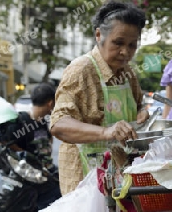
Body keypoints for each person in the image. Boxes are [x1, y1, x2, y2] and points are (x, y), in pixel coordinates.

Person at [50, 1, 148, 195]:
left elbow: (139, 105)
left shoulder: (127, 71)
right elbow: (58, 124)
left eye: (132, 45)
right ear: (99, 35)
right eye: (118, 43)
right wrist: (106, 132)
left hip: (120, 176)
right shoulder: (81, 70)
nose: (125, 52)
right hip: (85, 181)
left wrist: (142, 112)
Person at [0, 101, 60, 209]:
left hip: (40, 178)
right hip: (17, 181)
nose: (1, 134)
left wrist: (17, 150)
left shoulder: (34, 127)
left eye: (4, 128)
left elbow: (45, 161)